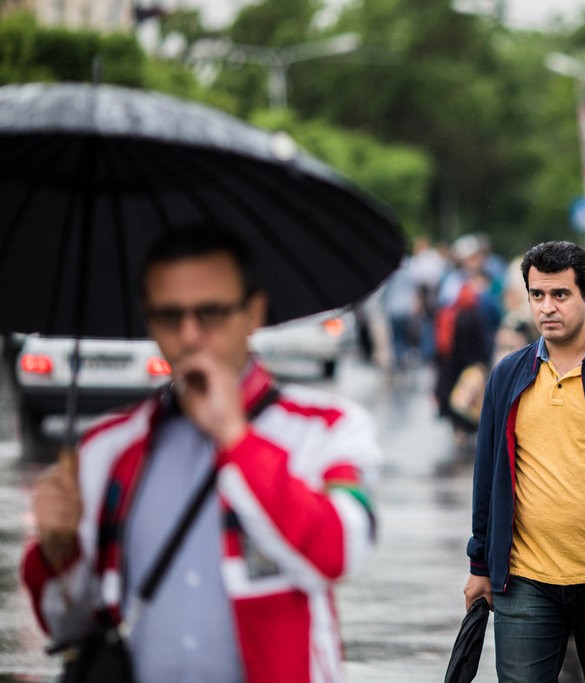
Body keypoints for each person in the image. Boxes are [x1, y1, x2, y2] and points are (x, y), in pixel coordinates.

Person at [21, 226, 380, 683]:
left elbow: (338, 551)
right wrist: (56, 550)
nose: (189, 335)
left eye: (209, 313)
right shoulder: (107, 451)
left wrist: (235, 437)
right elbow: (68, 625)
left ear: (253, 312)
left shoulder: (325, 428)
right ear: (147, 321)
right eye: (169, 316)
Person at [464, 241, 585, 683]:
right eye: (537, 295)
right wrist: (479, 565)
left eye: (560, 295)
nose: (547, 307)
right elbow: (488, 478)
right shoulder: (509, 374)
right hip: (525, 580)